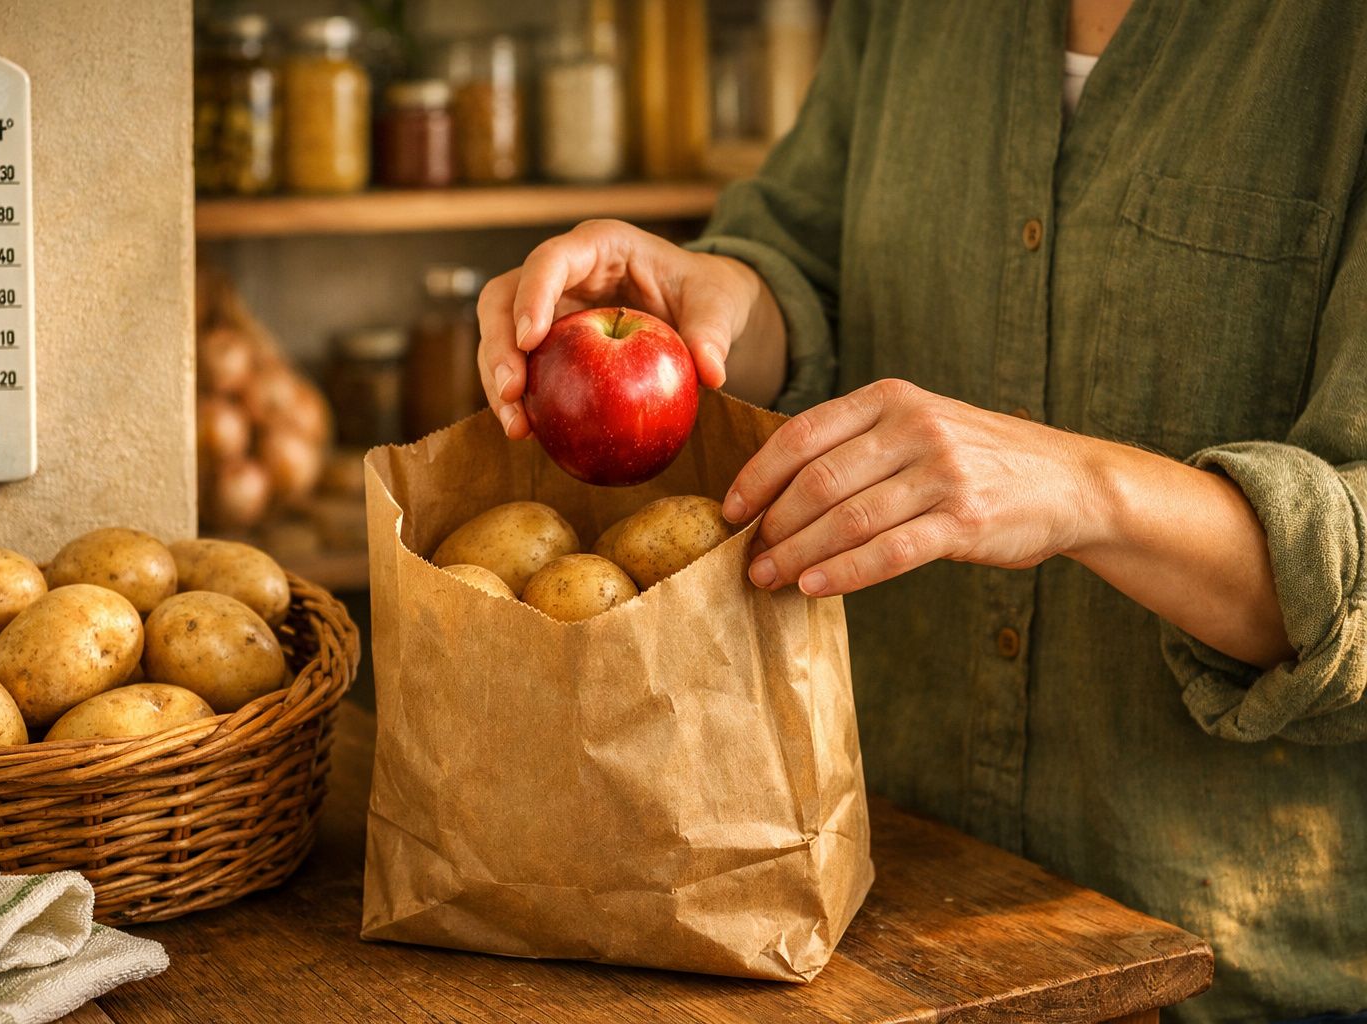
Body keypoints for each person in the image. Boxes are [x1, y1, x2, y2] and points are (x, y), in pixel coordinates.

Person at [475, 1, 1367, 1020]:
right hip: (868, 914)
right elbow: (808, 265)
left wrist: (1078, 488)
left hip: (1222, 975)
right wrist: (716, 300)